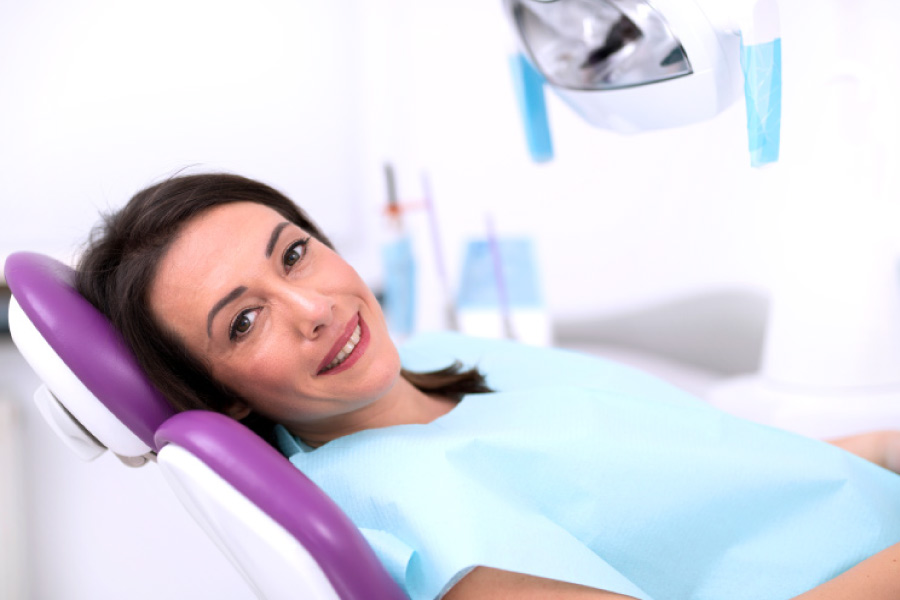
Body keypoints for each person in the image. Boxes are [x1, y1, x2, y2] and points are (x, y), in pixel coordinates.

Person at [77, 172, 900, 600]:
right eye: (243, 322)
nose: (315, 309)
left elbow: (712, 472)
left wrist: (880, 448)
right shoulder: (415, 517)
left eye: (293, 253)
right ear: (223, 398)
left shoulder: (438, 357)